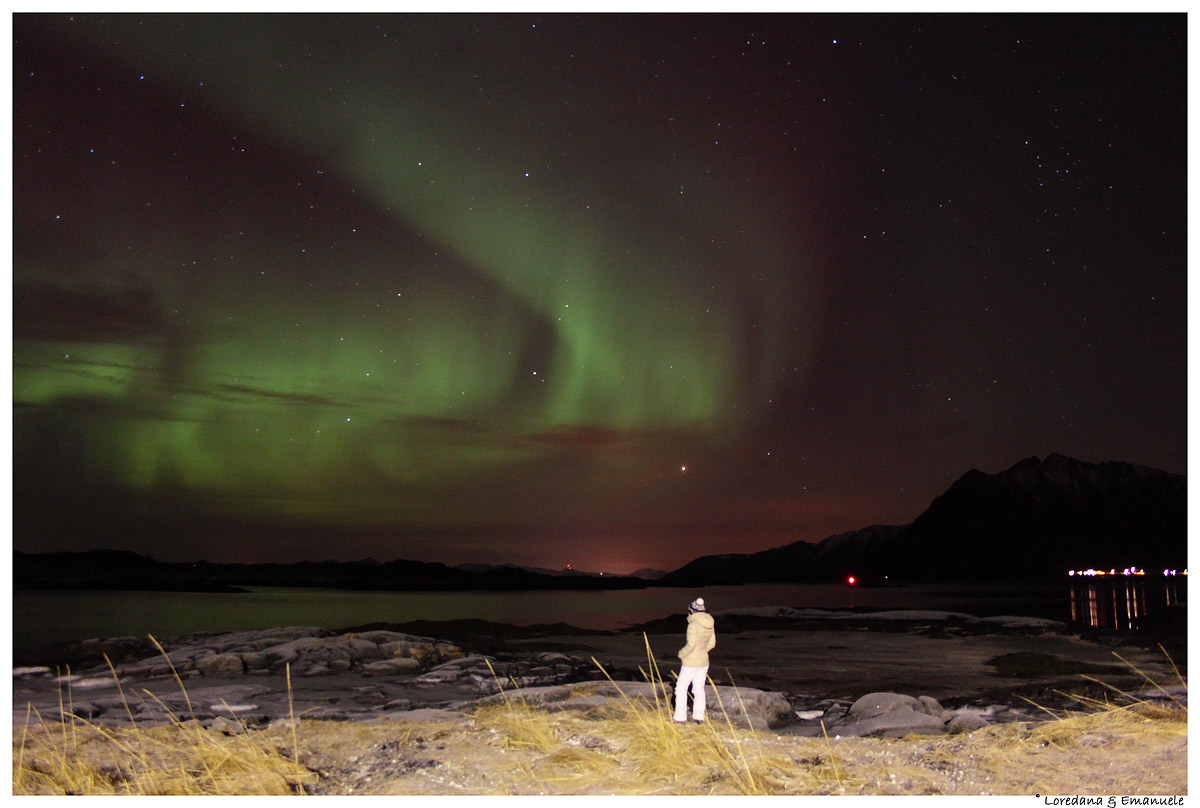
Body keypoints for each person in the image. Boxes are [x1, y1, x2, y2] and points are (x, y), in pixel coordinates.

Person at [673, 597, 716, 724]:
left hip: (690, 661)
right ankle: (699, 716)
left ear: (692, 611)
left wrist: (681, 654)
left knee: (681, 688)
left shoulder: (693, 624)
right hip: (704, 661)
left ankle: (680, 717)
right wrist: (702, 650)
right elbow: (712, 643)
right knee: (699, 688)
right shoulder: (710, 623)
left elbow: (690, 645)